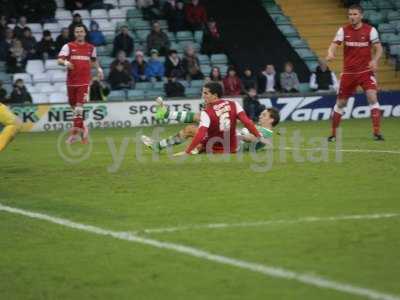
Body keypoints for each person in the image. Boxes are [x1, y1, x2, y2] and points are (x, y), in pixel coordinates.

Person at [141, 82, 261, 154]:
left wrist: (187, 151)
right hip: (233, 144)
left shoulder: (208, 111)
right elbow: (247, 121)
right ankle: (166, 115)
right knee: (201, 118)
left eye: (205, 93)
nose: (202, 95)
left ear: (215, 95)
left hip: (218, 146)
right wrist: (258, 135)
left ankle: (160, 142)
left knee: (190, 129)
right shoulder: (233, 103)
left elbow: (201, 132)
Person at [326, 4, 384, 141]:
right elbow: (334, 45)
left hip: (365, 71)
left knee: (372, 97)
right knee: (341, 104)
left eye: (355, 14)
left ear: (361, 16)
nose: (352, 17)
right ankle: (333, 134)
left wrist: (375, 60)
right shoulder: (343, 30)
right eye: (350, 14)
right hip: (349, 74)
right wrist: (330, 53)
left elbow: (379, 48)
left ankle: (377, 133)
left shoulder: (370, 30)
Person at [58, 24, 104, 144]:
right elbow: (59, 60)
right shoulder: (68, 46)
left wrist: (99, 69)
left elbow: (94, 61)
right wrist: (66, 63)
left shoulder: (91, 48)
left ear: (85, 33)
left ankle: (74, 134)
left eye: (81, 31)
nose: (79, 33)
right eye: (77, 32)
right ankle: (84, 129)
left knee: (78, 108)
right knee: (75, 109)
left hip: (84, 83)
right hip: (71, 82)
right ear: (75, 34)